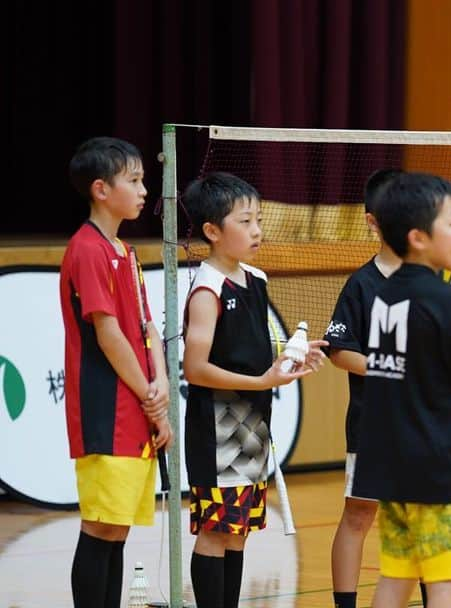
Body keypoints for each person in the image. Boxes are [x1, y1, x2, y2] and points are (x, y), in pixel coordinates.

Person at [182, 172, 327, 608]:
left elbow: (253, 349)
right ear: (212, 231)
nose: (257, 230)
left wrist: (294, 355)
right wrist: (261, 382)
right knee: (216, 529)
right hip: (216, 424)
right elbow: (196, 368)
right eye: (245, 221)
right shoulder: (208, 288)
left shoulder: (255, 280)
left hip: (252, 423)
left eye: (258, 219)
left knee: (238, 531)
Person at [355, 172, 451, 608]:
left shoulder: (383, 295)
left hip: (391, 466)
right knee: (447, 582)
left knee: (396, 578)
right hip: (443, 469)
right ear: (417, 237)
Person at [61, 136, 172, 608]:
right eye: (135, 180)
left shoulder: (125, 253)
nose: (145, 189)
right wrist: (148, 392)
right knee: (101, 524)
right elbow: (108, 334)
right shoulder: (86, 249)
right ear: (101, 189)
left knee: (119, 527)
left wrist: (162, 385)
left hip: (139, 402)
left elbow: (147, 326)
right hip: (106, 406)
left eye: (144, 179)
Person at [324, 168, 410, 608]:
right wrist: (391, 368)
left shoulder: (432, 280)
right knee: (359, 513)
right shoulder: (361, 284)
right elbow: (340, 350)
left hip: (423, 427)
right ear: (372, 221)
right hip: (374, 424)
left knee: (421, 520)